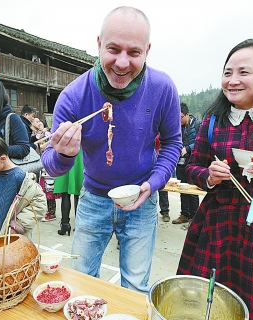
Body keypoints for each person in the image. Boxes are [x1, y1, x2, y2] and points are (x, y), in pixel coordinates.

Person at [41, 6, 182, 293]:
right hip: (93, 199)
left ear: (147, 50)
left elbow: (172, 143)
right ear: (99, 44)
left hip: (142, 201)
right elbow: (50, 165)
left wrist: (152, 184)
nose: (121, 63)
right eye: (113, 49)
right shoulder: (74, 95)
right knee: (80, 281)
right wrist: (65, 154)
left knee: (135, 287)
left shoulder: (163, 88)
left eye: (134, 53)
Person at [177, 38, 253, 320]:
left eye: (244, 72)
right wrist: (208, 174)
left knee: (252, 315)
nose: (232, 80)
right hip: (218, 223)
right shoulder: (213, 122)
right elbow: (191, 167)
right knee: (210, 304)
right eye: (227, 72)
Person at [171, 102, 201, 226]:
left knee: (192, 190)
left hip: (193, 162)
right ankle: (184, 214)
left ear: (187, 115)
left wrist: (187, 148)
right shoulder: (177, 127)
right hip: (180, 162)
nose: (178, 120)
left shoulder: (198, 125)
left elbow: (200, 142)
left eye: (181, 117)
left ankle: (194, 218)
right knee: (182, 189)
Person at [54, 148, 84, 235]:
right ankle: (79, 225)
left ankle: (65, 224)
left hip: (64, 157)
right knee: (79, 194)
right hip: (80, 157)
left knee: (65, 194)